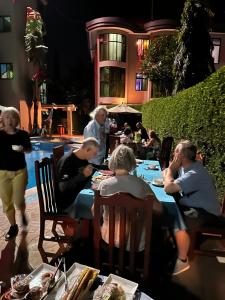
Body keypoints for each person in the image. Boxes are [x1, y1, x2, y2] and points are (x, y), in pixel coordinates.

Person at [163, 140, 221, 275]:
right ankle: (172, 244)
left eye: (176, 151)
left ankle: (182, 260)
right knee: (170, 210)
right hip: (194, 205)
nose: (173, 153)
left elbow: (168, 186)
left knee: (176, 217)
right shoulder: (186, 166)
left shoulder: (194, 172)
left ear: (182, 156)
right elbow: (165, 173)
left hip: (207, 213)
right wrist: (169, 172)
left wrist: (171, 170)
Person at [94, 144, 162, 251]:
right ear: (132, 162)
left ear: (112, 162)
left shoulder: (104, 185)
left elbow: (95, 211)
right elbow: (159, 209)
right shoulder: (141, 184)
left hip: (109, 239)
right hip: (136, 243)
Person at [0, 107, 32, 240]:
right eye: (7, 117)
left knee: (19, 200)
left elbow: (29, 150)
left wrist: (22, 149)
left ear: (17, 119)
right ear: (3, 119)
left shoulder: (23, 135)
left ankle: (22, 213)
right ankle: (13, 226)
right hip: (3, 173)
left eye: (12, 117)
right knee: (7, 203)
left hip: (19, 171)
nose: (10, 120)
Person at [56, 137, 100, 214]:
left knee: (101, 201)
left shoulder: (82, 158)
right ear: (87, 150)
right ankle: (90, 225)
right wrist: (82, 175)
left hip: (80, 195)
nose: (95, 156)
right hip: (68, 203)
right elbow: (63, 187)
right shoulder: (68, 161)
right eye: (94, 153)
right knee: (99, 207)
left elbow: (88, 174)